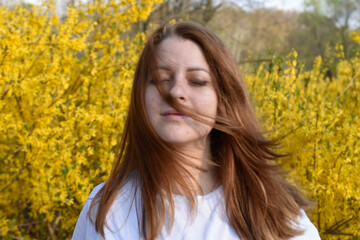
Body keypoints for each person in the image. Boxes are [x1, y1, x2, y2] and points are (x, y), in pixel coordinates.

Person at [72, 21, 321, 240]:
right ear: (140, 96)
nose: (176, 92)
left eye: (198, 81)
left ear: (223, 100)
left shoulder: (274, 211)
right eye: (160, 79)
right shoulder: (108, 207)